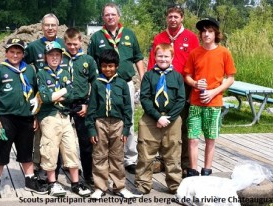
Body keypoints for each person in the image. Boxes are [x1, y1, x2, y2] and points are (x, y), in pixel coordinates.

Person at [0, 38, 48, 200]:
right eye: (12, 51)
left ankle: (30, 180)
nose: (15, 55)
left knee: (27, 151)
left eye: (19, 52)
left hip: (26, 118)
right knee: (1, 152)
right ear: (6, 52)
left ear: (23, 54)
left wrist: (35, 116)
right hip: (6, 118)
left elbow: (35, 94)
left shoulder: (30, 70)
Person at [87, 3, 145, 174]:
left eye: (113, 14)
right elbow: (90, 62)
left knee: (128, 118)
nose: (110, 17)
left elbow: (138, 58)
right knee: (105, 120)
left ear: (119, 16)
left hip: (124, 83)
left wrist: (143, 79)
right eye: (107, 15)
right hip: (104, 84)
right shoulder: (97, 37)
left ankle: (130, 158)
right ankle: (104, 155)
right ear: (103, 17)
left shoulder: (128, 34)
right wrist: (93, 84)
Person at [147, 5, 199, 176]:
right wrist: (149, 82)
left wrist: (194, 87)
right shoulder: (160, 37)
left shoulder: (190, 37)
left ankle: (183, 163)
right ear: (167, 18)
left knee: (180, 124)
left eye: (176, 16)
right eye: (170, 16)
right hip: (161, 85)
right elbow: (151, 62)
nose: (173, 19)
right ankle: (163, 160)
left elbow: (196, 62)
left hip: (182, 86)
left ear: (182, 18)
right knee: (159, 122)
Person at [36, 41, 91, 197]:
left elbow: (72, 95)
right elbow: (45, 97)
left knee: (71, 148)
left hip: (65, 116)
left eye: (57, 55)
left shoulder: (66, 73)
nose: (54, 58)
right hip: (49, 117)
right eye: (51, 55)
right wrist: (64, 91)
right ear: (46, 57)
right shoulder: (41, 73)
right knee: (50, 149)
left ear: (61, 57)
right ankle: (52, 183)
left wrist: (57, 95)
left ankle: (75, 183)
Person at [184, 17, 236, 177]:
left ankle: (207, 171)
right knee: (193, 138)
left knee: (210, 139)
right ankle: (193, 171)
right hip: (195, 103)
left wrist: (214, 92)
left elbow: (231, 78)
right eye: (203, 31)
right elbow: (187, 75)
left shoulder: (224, 52)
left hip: (214, 103)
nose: (206, 34)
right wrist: (195, 84)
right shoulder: (194, 53)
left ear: (216, 34)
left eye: (210, 31)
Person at [85, 49, 141, 199]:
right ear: (100, 66)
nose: (107, 69)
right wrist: (91, 129)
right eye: (104, 66)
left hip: (118, 124)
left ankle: (119, 187)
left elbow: (128, 109)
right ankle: (100, 187)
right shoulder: (97, 83)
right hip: (100, 123)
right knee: (99, 155)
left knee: (117, 156)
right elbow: (92, 107)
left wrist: (126, 130)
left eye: (111, 66)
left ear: (116, 66)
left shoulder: (122, 83)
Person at [135, 43, 186, 195]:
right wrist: (158, 117)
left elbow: (181, 99)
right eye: (160, 56)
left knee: (173, 154)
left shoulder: (177, 77)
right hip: (151, 118)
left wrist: (168, 118)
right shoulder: (149, 76)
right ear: (154, 57)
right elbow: (144, 98)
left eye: (166, 56)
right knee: (146, 153)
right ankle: (143, 184)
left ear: (172, 58)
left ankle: (174, 185)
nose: (163, 59)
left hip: (172, 119)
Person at [24, 13, 65, 178]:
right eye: (47, 25)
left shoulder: (64, 44)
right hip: (43, 97)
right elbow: (22, 66)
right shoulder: (34, 47)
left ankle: (58, 166)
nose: (50, 28)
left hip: (63, 98)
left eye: (53, 25)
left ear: (58, 26)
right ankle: (38, 166)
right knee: (41, 134)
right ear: (42, 27)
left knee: (63, 132)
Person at [61, 27, 98, 185]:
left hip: (81, 105)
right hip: (62, 105)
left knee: (85, 141)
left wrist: (88, 104)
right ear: (65, 43)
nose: (72, 47)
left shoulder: (88, 60)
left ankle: (88, 174)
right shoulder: (60, 58)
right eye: (69, 44)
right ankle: (57, 173)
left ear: (81, 41)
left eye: (75, 44)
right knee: (60, 138)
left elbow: (95, 83)